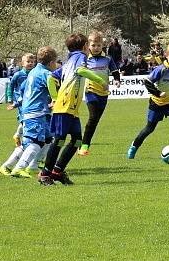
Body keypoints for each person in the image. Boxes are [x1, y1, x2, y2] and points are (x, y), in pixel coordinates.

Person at [38, 34, 107, 186]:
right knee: (60, 140)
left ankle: (57, 171)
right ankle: (44, 174)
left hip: (70, 108)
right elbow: (81, 70)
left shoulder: (70, 60)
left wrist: (55, 97)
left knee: (76, 141)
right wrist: (100, 80)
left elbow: (51, 78)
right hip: (65, 106)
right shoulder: (80, 57)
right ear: (84, 47)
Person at [126, 44, 169, 159]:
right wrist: (158, 93)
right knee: (149, 128)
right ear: (166, 56)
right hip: (156, 104)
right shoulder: (161, 69)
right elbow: (147, 82)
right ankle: (134, 146)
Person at [7, 47, 58, 179]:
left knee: (48, 139)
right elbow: (52, 86)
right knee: (35, 142)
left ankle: (34, 166)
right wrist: (55, 99)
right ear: (51, 62)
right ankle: (19, 168)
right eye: (56, 62)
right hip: (36, 112)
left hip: (34, 111)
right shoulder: (46, 74)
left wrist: (18, 103)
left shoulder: (32, 72)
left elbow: (23, 89)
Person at [79, 31, 120, 156]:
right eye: (93, 45)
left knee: (95, 120)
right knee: (92, 117)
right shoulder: (85, 59)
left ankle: (83, 144)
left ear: (102, 45)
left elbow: (114, 71)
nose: (96, 48)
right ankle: (84, 146)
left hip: (104, 93)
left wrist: (117, 80)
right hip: (90, 91)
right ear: (88, 46)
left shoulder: (108, 58)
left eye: (98, 45)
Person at [0, 53, 36, 176]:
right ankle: (14, 166)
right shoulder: (18, 75)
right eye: (28, 61)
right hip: (24, 106)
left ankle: (32, 164)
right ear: (22, 63)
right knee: (30, 139)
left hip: (32, 106)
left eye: (32, 61)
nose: (30, 63)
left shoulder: (35, 73)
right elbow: (10, 86)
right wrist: (10, 98)